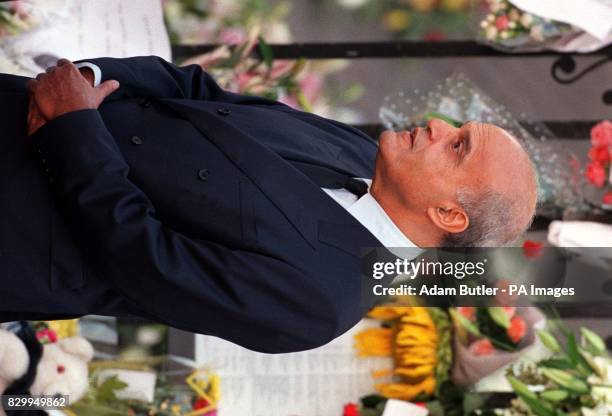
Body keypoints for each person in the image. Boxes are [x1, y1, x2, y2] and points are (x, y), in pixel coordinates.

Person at [0, 57, 537, 353]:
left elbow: (142, 257)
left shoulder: (322, 303)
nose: (439, 127)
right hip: (23, 106)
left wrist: (73, 127)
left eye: (457, 147)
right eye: (459, 129)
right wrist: (89, 80)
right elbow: (197, 89)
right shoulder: (359, 152)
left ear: (449, 215)